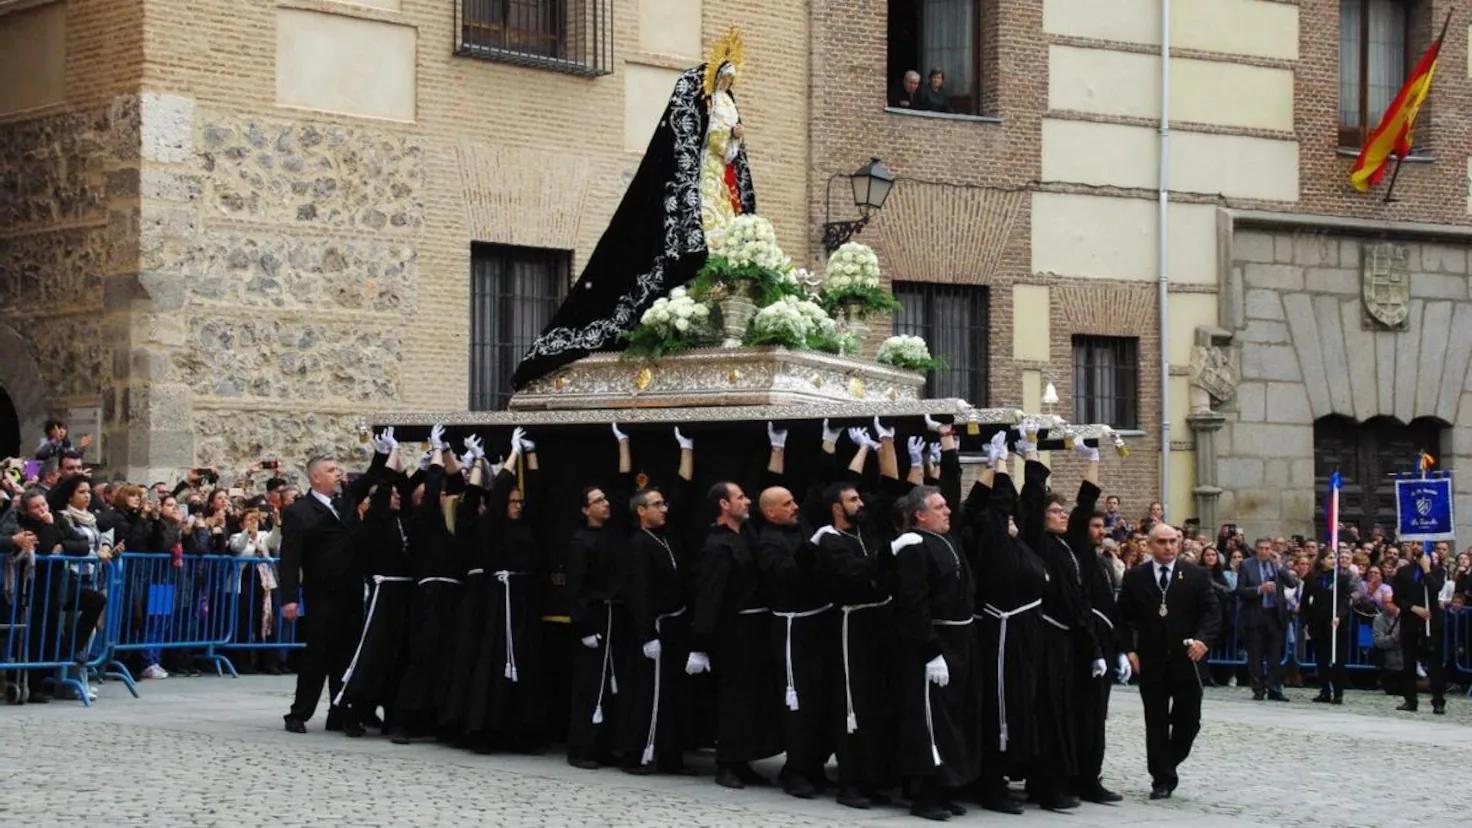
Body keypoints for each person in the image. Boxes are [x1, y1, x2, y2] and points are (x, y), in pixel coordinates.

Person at [512, 31, 757, 388]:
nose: (727, 82)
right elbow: (698, 141)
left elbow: (732, 155)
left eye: (730, 79)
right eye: (723, 76)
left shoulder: (728, 102)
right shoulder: (700, 98)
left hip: (721, 183)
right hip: (700, 183)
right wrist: (724, 136)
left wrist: (735, 140)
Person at [810, 419, 903, 810]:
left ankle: (876, 776)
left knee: (881, 701)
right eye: (852, 501)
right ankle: (850, 782)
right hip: (851, 625)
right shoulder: (829, 541)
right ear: (836, 508)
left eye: (860, 500)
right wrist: (891, 552)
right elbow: (855, 573)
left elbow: (892, 488)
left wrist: (885, 441)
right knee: (854, 702)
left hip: (880, 621)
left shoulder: (867, 529)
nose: (861, 504)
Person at [891, 431, 976, 821]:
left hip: (959, 639)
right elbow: (913, 603)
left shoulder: (947, 540)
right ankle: (924, 793)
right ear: (920, 515)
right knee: (928, 720)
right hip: (934, 643)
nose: (947, 511)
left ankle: (943, 786)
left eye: (945, 506)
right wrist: (931, 652)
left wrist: (949, 449)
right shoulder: (912, 544)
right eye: (938, 507)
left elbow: (953, 490)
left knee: (950, 719)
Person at [1016, 427, 1097, 812]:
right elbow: (1031, 502)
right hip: (1044, 638)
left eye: (1062, 512)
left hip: (1066, 639)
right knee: (1046, 712)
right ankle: (1046, 784)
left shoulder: (1066, 544)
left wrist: (1092, 463)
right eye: (1055, 511)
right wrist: (1031, 453)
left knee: (1064, 711)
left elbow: (1084, 513)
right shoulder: (1036, 541)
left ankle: (1061, 777)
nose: (1062, 516)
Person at [964, 431, 1044, 815]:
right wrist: (998, 466)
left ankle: (1010, 772)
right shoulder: (993, 543)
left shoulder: (1019, 543)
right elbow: (1000, 508)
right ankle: (990, 782)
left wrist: (1028, 457)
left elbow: (1028, 505)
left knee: (1021, 705)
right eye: (1007, 519)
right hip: (1000, 634)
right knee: (999, 706)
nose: (1014, 521)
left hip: (1023, 635)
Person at [690, 450, 780, 789]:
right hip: (733, 633)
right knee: (734, 700)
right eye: (740, 497)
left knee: (753, 699)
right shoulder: (717, 546)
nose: (747, 501)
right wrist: (700, 644)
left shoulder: (748, 535)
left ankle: (743, 760)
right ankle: (727, 762)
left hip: (756, 629)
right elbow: (709, 596)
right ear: (724, 506)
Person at [279, 447, 379, 735]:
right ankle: (299, 713)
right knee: (317, 656)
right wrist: (288, 598)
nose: (339, 475)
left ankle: (342, 712)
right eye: (333, 470)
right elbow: (290, 559)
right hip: (321, 594)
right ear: (316, 477)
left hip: (350, 592)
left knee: (346, 656)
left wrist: (382, 453)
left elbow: (368, 478)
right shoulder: (299, 512)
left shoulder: (345, 502)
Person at [1116, 523, 1219, 800]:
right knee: (1156, 721)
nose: (1169, 547)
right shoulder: (1136, 577)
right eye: (1162, 542)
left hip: (1188, 660)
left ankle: (1168, 762)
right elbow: (1123, 618)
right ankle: (1161, 778)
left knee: (1189, 721)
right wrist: (1129, 650)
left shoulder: (1196, 575)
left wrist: (1203, 640)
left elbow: (1211, 612)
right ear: (1150, 545)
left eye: (1173, 541)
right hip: (1152, 660)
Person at [621, 428, 697, 775]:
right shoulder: (639, 544)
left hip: (677, 624)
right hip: (656, 629)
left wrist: (686, 450)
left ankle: (669, 752)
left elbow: (682, 498)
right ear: (640, 512)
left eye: (663, 504)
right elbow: (639, 592)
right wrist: (646, 634)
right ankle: (642, 753)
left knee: (672, 694)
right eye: (657, 504)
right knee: (649, 695)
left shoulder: (667, 536)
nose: (664, 508)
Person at [563, 425, 634, 769]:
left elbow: (623, 489)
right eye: (597, 501)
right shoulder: (580, 542)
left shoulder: (615, 532)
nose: (605, 504)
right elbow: (576, 588)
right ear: (584, 509)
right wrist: (584, 627)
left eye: (604, 500)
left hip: (615, 617)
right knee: (591, 686)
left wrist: (623, 444)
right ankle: (583, 749)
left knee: (615, 684)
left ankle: (610, 745)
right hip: (593, 621)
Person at [334, 432, 411, 733]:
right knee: (372, 654)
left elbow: (405, 488)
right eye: (391, 494)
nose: (396, 497)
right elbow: (380, 494)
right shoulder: (375, 523)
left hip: (401, 594)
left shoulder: (402, 520)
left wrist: (400, 459)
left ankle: (390, 712)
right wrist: (386, 461)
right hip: (382, 595)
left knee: (396, 657)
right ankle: (353, 711)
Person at [1236, 537, 1298, 701]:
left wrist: (1281, 567)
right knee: (1255, 654)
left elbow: (1292, 584)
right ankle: (1258, 689)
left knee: (1274, 654)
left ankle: (1274, 688)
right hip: (1255, 614)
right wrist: (1259, 589)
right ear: (1256, 549)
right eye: (1261, 548)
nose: (1264, 552)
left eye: (1267, 548)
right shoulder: (1247, 565)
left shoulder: (1275, 565)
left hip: (1274, 615)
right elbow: (1240, 590)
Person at [1391, 545, 1446, 714]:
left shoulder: (1437, 571)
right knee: (1409, 662)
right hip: (1411, 621)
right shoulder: (1404, 572)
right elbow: (1397, 597)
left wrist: (1427, 569)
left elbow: (1435, 588)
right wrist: (1414, 608)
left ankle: (1438, 700)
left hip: (1432, 623)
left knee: (1435, 664)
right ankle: (1410, 699)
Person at [1303, 548, 1353, 704]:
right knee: (1322, 658)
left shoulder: (1342, 578)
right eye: (1330, 557)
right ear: (1322, 560)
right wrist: (1306, 622)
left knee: (1338, 658)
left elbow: (1346, 600)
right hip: (1319, 622)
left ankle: (1338, 692)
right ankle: (1325, 689)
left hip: (1337, 623)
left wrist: (1339, 616)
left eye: (1334, 558)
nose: (1333, 560)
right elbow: (1306, 601)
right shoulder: (1312, 578)